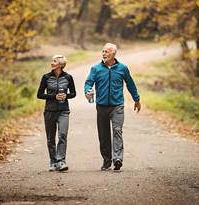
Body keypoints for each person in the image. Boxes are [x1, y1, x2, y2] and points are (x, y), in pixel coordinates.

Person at [84, 43, 141, 171]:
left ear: (114, 54)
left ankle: (117, 159)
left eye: (107, 52)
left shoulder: (122, 68)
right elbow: (88, 83)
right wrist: (88, 92)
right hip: (102, 106)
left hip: (117, 106)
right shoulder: (96, 69)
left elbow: (130, 84)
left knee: (117, 131)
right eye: (103, 51)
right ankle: (106, 160)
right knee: (103, 135)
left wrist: (136, 99)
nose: (104, 53)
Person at [37, 55, 76, 172]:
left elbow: (73, 93)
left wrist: (66, 95)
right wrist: (54, 96)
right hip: (50, 111)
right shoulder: (46, 77)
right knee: (50, 138)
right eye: (52, 61)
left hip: (63, 110)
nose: (52, 63)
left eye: (54, 61)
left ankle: (61, 161)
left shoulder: (68, 77)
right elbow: (39, 94)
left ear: (60, 64)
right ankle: (53, 161)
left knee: (62, 135)